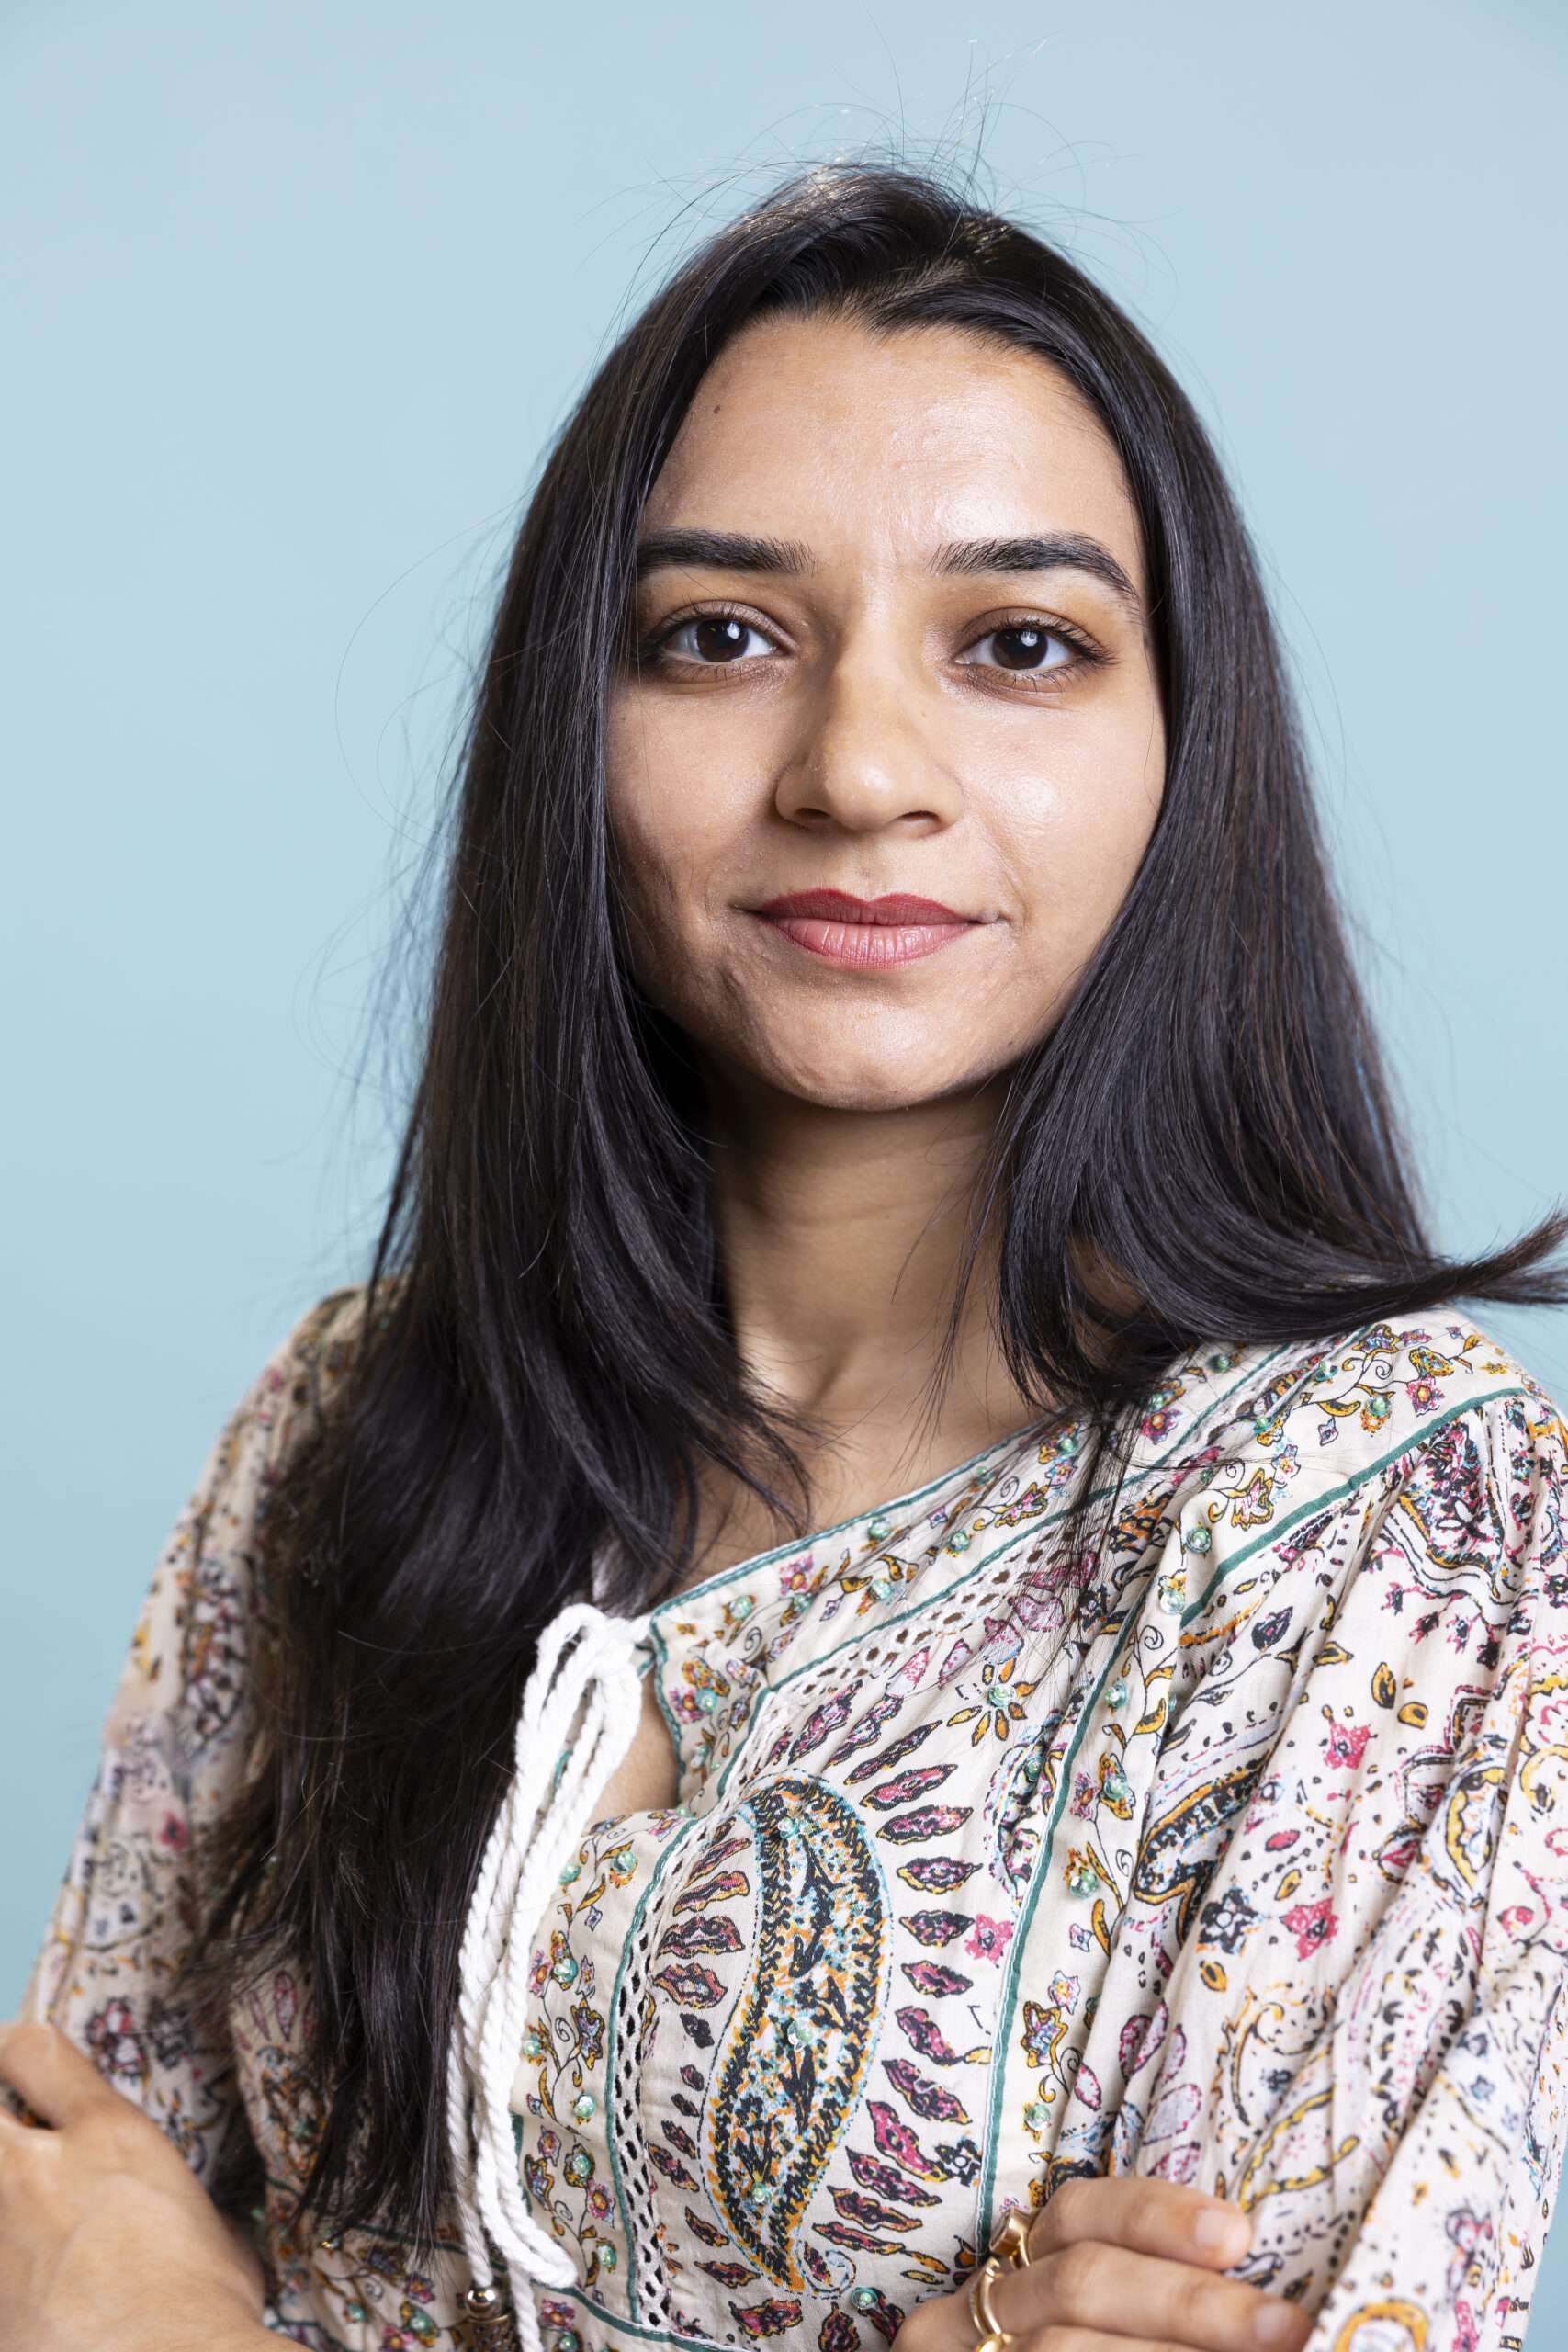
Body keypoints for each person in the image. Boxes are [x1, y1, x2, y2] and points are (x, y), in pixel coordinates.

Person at [4, 161, 1566, 2352]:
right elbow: (52, 2205)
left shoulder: (1372, 1517)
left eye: (1017, 645)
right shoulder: (346, 1432)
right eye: (721, 635)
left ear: (1179, 748)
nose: (855, 768)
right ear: (578, 719)